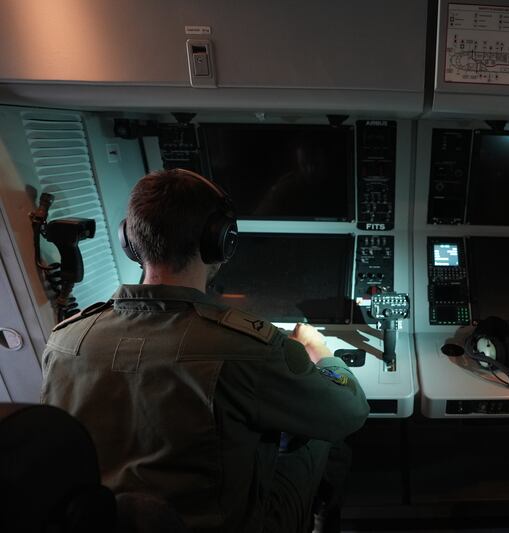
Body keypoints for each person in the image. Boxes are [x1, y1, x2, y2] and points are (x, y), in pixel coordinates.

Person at [40, 168, 370, 532]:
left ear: (131, 243)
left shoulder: (64, 340)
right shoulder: (246, 348)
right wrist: (321, 352)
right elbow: (349, 411)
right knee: (327, 439)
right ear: (222, 241)